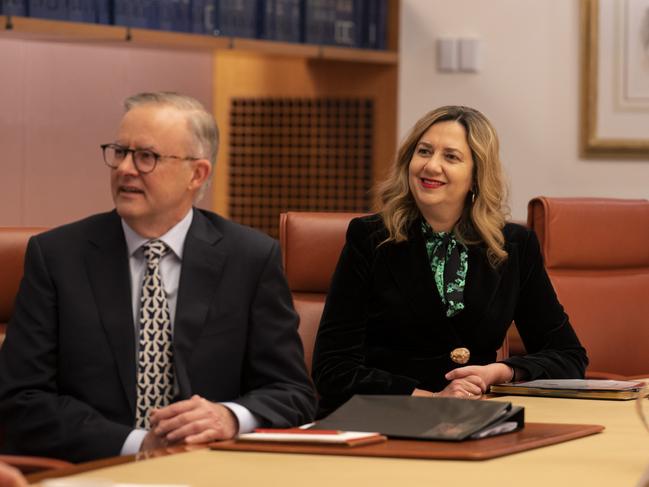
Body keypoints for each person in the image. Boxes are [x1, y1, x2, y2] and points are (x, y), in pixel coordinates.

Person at [0, 92, 316, 461]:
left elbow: (292, 392)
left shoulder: (249, 258)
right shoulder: (57, 256)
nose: (125, 169)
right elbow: (19, 398)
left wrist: (229, 417)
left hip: (212, 472)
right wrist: (138, 443)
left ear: (196, 174)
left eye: (146, 157)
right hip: (93, 469)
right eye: (120, 152)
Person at [311, 105, 588, 417]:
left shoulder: (514, 246)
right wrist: (428, 399)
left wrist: (500, 372)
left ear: (476, 175)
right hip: (384, 419)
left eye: (451, 157)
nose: (431, 166)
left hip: (473, 419)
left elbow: (568, 357)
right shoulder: (370, 239)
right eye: (424, 151)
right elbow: (332, 368)